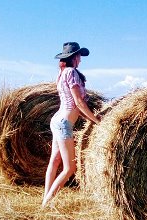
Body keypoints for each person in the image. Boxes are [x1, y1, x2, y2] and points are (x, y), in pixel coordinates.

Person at [42, 42, 100, 208]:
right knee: (69, 168)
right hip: (64, 123)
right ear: (74, 57)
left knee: (54, 161)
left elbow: (75, 105)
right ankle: (46, 205)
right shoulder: (72, 73)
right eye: (79, 56)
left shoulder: (61, 74)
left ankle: (45, 200)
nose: (80, 60)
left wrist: (90, 118)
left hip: (57, 120)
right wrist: (96, 121)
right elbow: (79, 102)